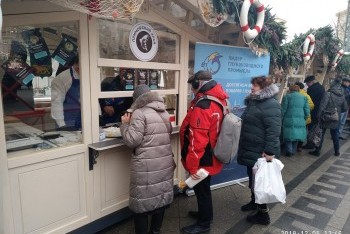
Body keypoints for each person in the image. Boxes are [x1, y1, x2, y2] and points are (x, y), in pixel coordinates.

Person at [119, 84, 175, 234]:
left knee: (141, 205)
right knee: (160, 198)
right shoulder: (163, 112)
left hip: (146, 165)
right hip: (163, 162)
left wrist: (124, 125)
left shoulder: (139, 113)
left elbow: (132, 140)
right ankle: (155, 231)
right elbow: (166, 132)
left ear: (137, 99)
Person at [180, 70, 229, 234]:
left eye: (192, 86)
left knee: (202, 191)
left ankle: (204, 224)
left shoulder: (204, 105)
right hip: (211, 154)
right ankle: (204, 214)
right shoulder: (218, 99)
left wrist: (192, 168)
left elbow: (197, 141)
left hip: (202, 158)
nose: (191, 90)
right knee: (203, 189)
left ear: (197, 84)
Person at [237, 76, 281, 225]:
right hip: (251, 148)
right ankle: (254, 202)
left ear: (264, 88)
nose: (251, 88)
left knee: (260, 182)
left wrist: (269, 151)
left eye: (255, 85)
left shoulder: (271, 104)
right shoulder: (254, 101)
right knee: (252, 178)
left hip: (261, 152)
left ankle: (263, 215)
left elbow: (273, 130)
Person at [309, 78, 348, 157]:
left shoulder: (328, 94)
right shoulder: (342, 95)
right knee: (335, 134)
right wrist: (338, 112)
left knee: (321, 134)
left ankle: (317, 150)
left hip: (325, 117)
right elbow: (345, 107)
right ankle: (337, 151)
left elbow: (322, 106)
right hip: (336, 117)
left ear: (333, 84)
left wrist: (318, 116)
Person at [51, 55, 81, 130]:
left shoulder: (87, 76)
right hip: (67, 119)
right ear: (77, 66)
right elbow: (56, 102)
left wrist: (98, 115)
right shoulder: (62, 79)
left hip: (84, 117)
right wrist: (61, 124)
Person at [281, 85, 310, 157]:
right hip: (300, 119)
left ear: (290, 90)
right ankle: (293, 151)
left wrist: (281, 118)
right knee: (297, 136)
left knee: (288, 135)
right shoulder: (304, 97)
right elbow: (307, 110)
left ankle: (289, 151)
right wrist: (305, 118)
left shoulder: (287, 97)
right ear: (299, 90)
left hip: (289, 119)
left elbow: (283, 109)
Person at [302, 75, 325, 149]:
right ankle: (312, 143)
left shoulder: (311, 89)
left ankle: (309, 144)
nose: (307, 85)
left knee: (309, 128)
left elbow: (309, 102)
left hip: (312, 111)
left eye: (307, 83)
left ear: (311, 82)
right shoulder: (322, 87)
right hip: (318, 111)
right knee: (314, 129)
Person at [295, 81, 314, 151]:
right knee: (302, 132)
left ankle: (293, 146)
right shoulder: (306, 95)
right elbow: (312, 106)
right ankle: (299, 146)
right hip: (305, 118)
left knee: (295, 131)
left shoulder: (294, 94)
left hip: (297, 117)